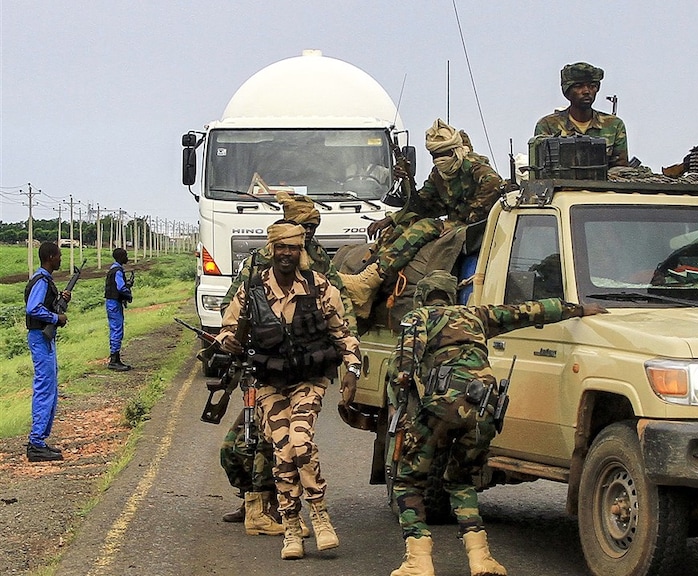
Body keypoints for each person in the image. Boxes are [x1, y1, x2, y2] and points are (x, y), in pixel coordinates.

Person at [386, 271, 607, 576]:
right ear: (453, 296)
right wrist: (578, 309)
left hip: (439, 409)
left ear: (422, 296)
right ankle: (481, 559)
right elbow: (528, 312)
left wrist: (402, 414)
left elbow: (402, 371)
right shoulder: (477, 314)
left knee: (408, 481)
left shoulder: (418, 317)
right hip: (484, 410)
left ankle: (418, 561)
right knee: (461, 481)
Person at [216, 221, 361, 560]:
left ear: (301, 251)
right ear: (271, 249)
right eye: (280, 247)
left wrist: (352, 369)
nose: (286, 254)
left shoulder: (318, 286)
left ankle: (320, 513)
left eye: (293, 248)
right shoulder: (251, 290)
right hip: (269, 383)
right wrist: (231, 343)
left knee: (300, 440)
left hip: (309, 380)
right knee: (283, 451)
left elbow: (343, 333)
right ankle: (292, 527)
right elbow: (226, 330)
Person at [340, 119, 503, 317]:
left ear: (457, 150)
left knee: (425, 226)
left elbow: (477, 217)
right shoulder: (439, 173)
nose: (439, 159)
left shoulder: (484, 176)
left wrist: (443, 223)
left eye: (444, 154)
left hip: (478, 228)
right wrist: (399, 203)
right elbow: (423, 205)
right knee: (404, 225)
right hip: (457, 223)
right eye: (435, 155)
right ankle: (370, 277)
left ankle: (373, 278)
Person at [24, 241, 71, 463]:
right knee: (44, 387)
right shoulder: (41, 280)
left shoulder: (43, 280)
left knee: (50, 386)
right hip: (40, 337)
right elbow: (33, 308)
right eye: (59, 255)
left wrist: (60, 302)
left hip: (44, 338)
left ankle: (40, 440)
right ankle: (35, 444)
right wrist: (55, 318)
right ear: (51, 257)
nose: (61, 259)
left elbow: (43, 304)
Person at [534, 62, 629, 168]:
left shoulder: (613, 125)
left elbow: (621, 170)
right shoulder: (548, 125)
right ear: (567, 91)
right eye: (579, 86)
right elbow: (541, 170)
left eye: (592, 86)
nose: (586, 91)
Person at [105, 247, 134, 371]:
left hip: (112, 302)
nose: (127, 257)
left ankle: (115, 358)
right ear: (121, 257)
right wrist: (128, 293)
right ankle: (114, 360)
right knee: (117, 329)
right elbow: (121, 288)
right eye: (125, 255)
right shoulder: (117, 270)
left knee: (115, 329)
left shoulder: (113, 269)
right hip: (114, 303)